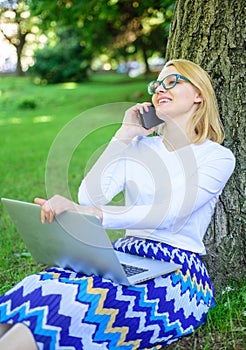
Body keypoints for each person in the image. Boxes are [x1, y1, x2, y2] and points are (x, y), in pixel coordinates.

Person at [0, 59, 235, 349]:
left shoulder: (217, 156)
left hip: (177, 270)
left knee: (71, 308)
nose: (160, 88)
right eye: (156, 84)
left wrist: (96, 215)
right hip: (121, 255)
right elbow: (90, 196)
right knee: (38, 288)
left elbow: (170, 211)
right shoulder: (139, 146)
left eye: (171, 81)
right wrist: (123, 135)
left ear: (198, 94)